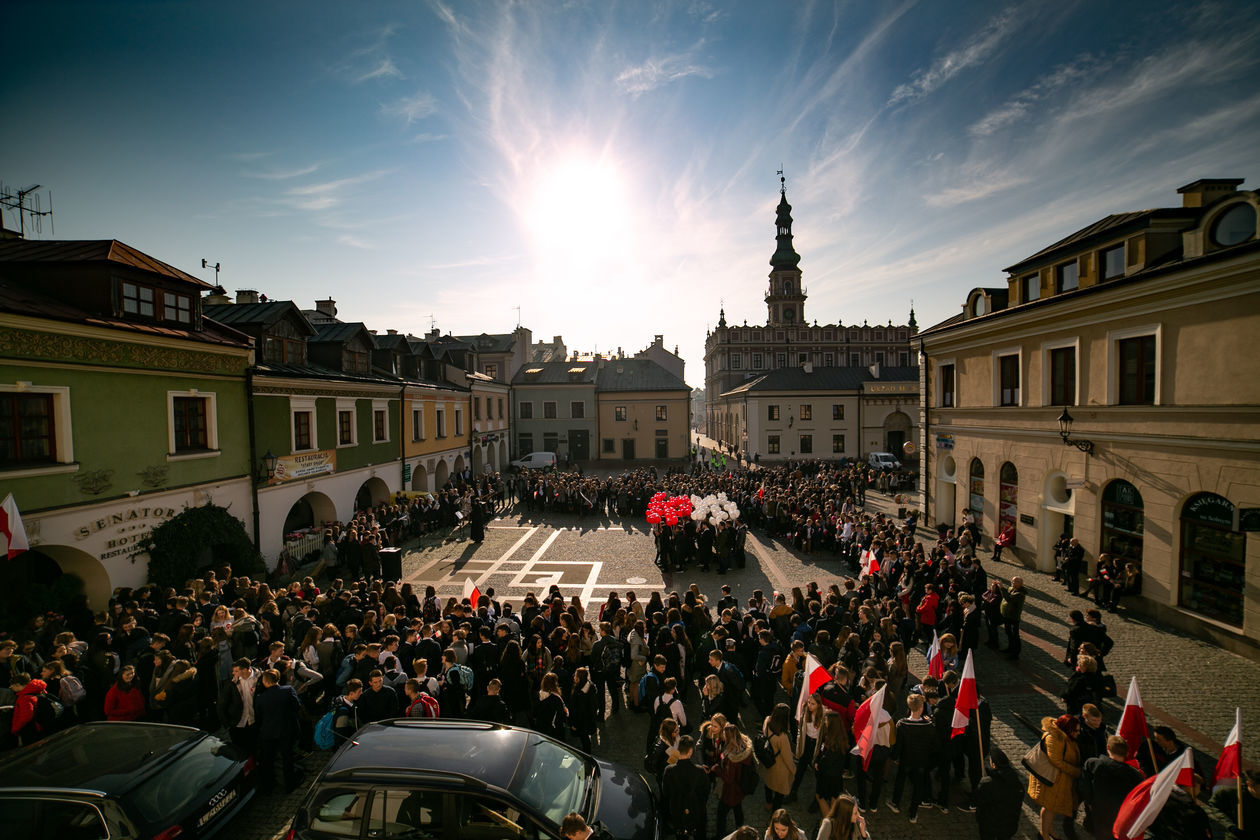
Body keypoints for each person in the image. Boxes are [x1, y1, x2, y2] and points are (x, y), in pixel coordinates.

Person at [1028, 714, 1083, 840]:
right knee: (1049, 807)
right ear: (1067, 729)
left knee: (1051, 807)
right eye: (1076, 730)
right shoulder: (1054, 737)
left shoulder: (1062, 736)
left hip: (1058, 779)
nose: (1078, 733)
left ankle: (1048, 830)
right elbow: (1056, 761)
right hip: (1051, 779)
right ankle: (1044, 834)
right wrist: (1075, 771)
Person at [1079, 735, 1144, 840]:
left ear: (1108, 748)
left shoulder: (1093, 764)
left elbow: (1085, 787)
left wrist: (1089, 803)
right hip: (1120, 817)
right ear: (1127, 753)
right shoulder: (1136, 776)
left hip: (1097, 811)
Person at [887, 692, 935, 823]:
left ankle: (895, 802)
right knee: (918, 785)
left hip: (906, 759)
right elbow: (932, 744)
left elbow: (898, 745)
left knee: (900, 780)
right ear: (921, 708)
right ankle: (913, 812)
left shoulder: (902, 724)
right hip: (921, 760)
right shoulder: (929, 725)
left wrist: (895, 757)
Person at [253, 668, 301, 794]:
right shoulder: (288, 690)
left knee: (268, 760)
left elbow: (258, 716)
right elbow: (297, 707)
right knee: (287, 758)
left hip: (269, 733)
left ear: (265, 682)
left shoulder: (260, 698)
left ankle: (268, 786)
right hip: (286, 730)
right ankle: (289, 785)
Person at [661, 735, 710, 840]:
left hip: (677, 809)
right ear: (690, 751)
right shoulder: (700, 771)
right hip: (696, 809)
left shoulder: (669, 770)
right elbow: (705, 793)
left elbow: (666, 792)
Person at [715, 722, 755, 837]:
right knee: (738, 808)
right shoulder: (742, 747)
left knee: (721, 814)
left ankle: (720, 835)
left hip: (730, 791)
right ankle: (740, 829)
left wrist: (717, 769)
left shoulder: (732, 757)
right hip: (740, 787)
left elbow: (728, 778)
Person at [761, 703, 796, 812]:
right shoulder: (782, 736)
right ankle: (775, 812)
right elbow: (787, 757)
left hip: (768, 763)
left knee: (768, 784)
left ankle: (768, 803)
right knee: (779, 792)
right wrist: (793, 770)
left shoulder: (767, 721)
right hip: (779, 767)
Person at [532, 672, 569, 742]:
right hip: (553, 731)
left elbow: (534, 713)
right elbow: (563, 715)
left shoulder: (538, 695)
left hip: (540, 728)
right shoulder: (556, 698)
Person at [998, 577, 1026, 660]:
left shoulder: (1020, 594)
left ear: (1020, 584)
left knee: (1015, 636)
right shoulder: (1011, 589)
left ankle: (1015, 654)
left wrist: (1002, 588)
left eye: (1014, 581)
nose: (1012, 582)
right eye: (1012, 581)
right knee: (1008, 633)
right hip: (1007, 616)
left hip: (1013, 618)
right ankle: (1010, 648)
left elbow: (1009, 599)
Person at [331, 678, 363, 742]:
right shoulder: (343, 712)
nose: (361, 693)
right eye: (359, 691)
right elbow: (340, 734)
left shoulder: (345, 701)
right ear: (351, 693)